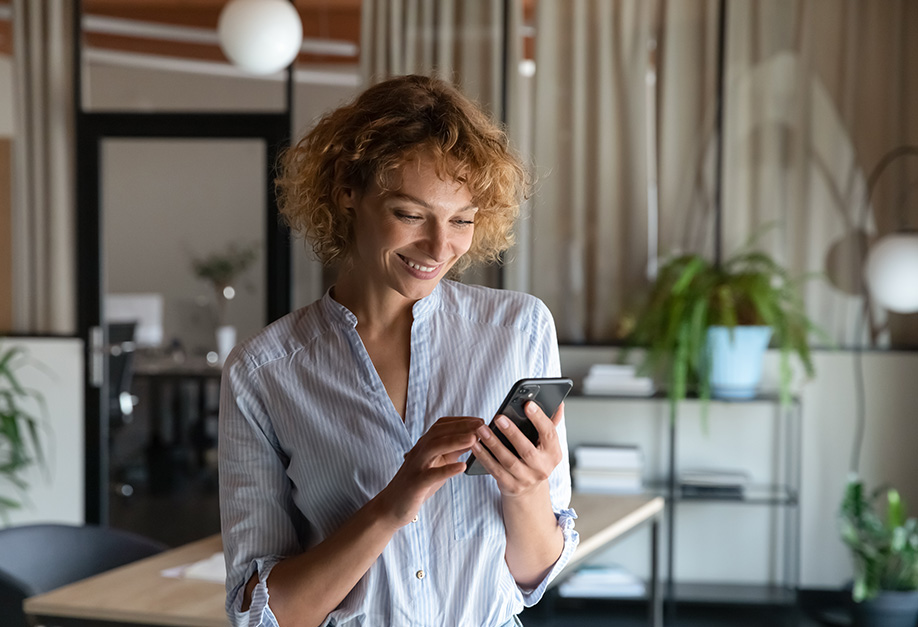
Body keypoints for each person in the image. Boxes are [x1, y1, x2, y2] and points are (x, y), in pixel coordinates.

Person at [219, 74, 579, 627]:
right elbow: (263, 615)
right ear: (347, 191)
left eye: (461, 220)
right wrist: (392, 505)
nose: (440, 248)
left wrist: (526, 489)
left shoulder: (520, 329)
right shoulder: (264, 372)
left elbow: (532, 577)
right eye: (411, 215)